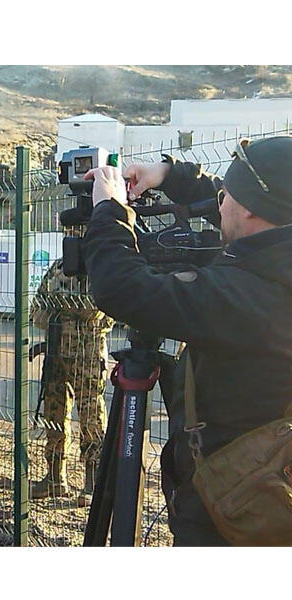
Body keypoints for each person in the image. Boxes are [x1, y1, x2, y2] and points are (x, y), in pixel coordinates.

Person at [81, 136, 292, 546]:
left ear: (249, 208)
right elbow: (257, 219)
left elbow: (121, 288)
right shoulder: (275, 260)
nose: (218, 201)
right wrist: (170, 176)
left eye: (225, 194)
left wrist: (109, 211)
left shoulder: (250, 298)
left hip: (231, 513)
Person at [28, 258, 113, 506]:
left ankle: (93, 481)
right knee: (53, 413)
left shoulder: (101, 262)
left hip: (87, 354)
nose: (73, 233)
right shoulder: (59, 266)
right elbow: (37, 309)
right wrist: (65, 303)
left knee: (91, 417)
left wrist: (58, 297)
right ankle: (54, 478)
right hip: (56, 350)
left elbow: (95, 308)